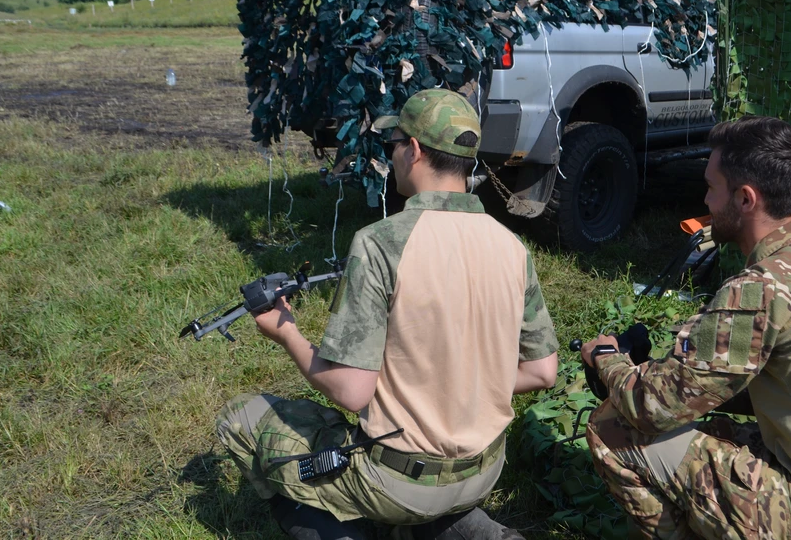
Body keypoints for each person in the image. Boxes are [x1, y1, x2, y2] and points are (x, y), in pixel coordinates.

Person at [216, 88, 559, 540]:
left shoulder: (381, 243)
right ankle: (464, 528)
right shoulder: (511, 246)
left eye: (392, 144)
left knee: (241, 417)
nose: (392, 155)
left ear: (413, 150)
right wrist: (464, 378)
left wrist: (288, 334)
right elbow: (542, 371)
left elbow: (351, 391)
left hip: (399, 481)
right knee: (428, 493)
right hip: (484, 471)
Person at [580, 117, 791, 540]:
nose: (705, 200)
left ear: (745, 199)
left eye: (711, 187)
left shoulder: (762, 290)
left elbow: (653, 407)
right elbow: (789, 389)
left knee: (613, 426)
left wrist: (605, 359)